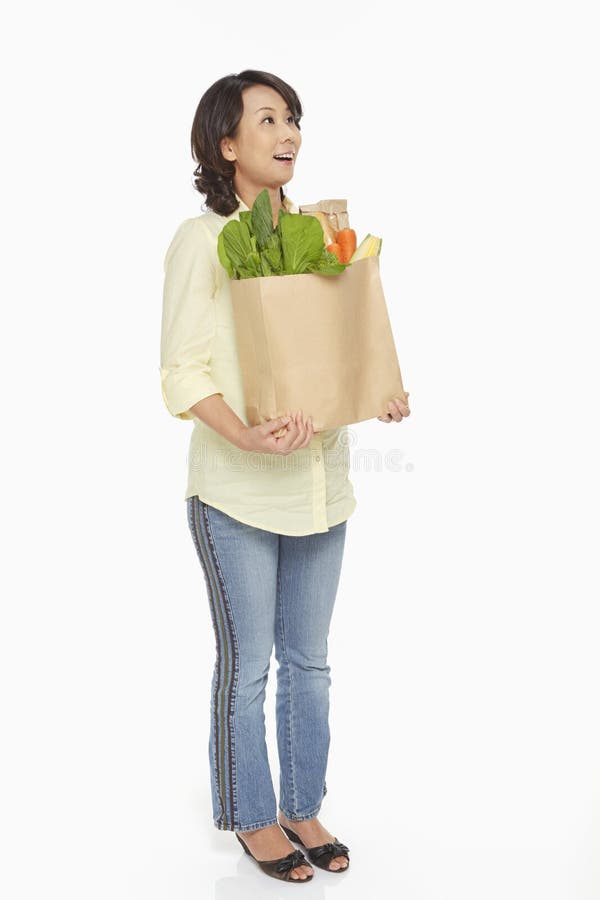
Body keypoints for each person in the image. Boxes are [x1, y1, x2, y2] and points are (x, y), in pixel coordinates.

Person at [160, 69, 411, 883]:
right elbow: (180, 369)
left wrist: (378, 389)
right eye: (267, 118)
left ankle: (303, 805)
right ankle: (252, 816)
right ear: (227, 144)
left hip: (319, 488)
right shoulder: (202, 241)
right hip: (235, 493)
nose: (288, 131)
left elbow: (337, 349)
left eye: (293, 117)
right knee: (250, 669)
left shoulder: (318, 234)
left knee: (311, 662)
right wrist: (246, 434)